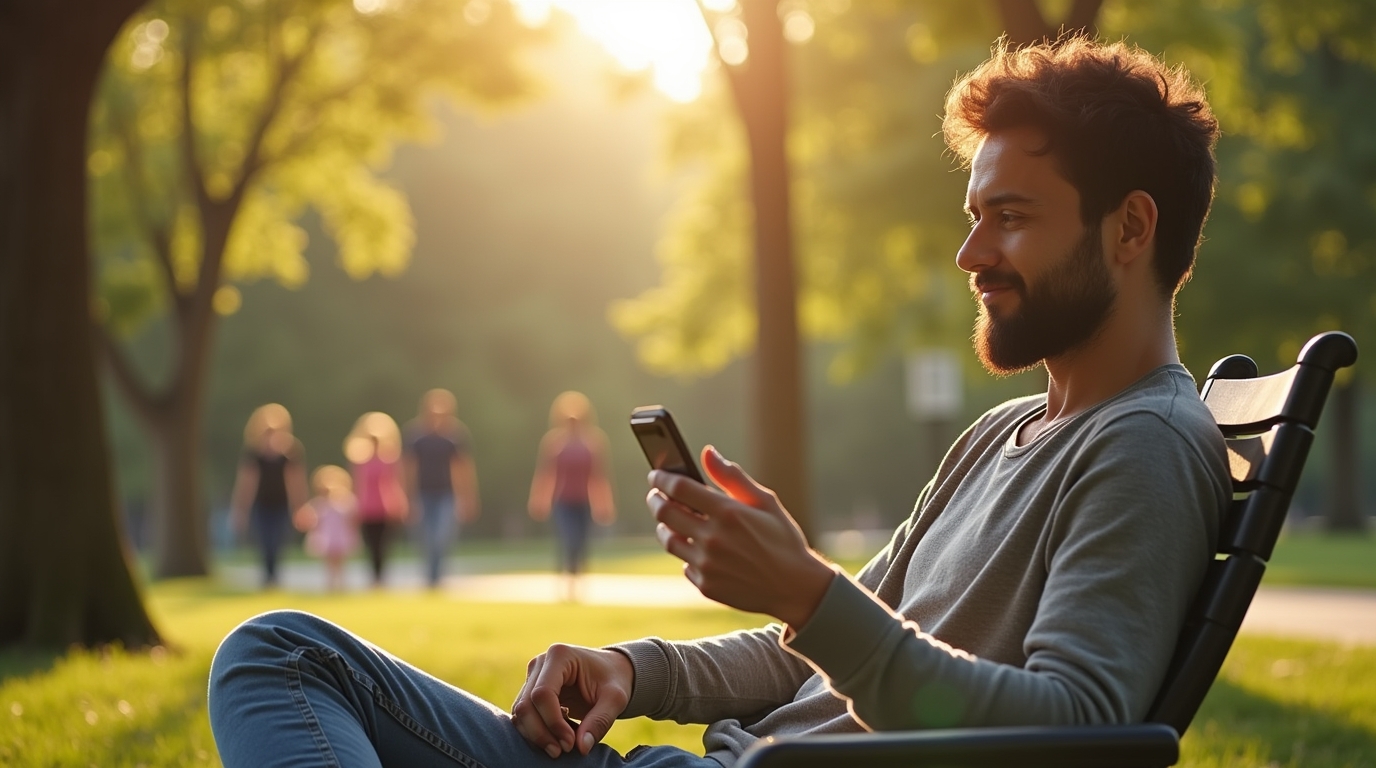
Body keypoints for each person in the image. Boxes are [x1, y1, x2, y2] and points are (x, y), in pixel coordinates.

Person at [208, 38, 1231, 768]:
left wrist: (808, 597)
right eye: (971, 218)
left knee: (276, 657)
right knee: (282, 652)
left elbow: (1072, 733)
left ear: (1128, 229)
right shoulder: (1002, 434)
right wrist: (627, 669)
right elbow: (812, 662)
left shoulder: (1141, 444)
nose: (968, 255)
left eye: (1008, 219)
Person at [527, 391, 616, 601]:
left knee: (582, 542)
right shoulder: (554, 443)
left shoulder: (593, 443)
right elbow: (546, 474)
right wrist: (539, 499)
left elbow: (599, 476)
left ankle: (578, 582)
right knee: (568, 539)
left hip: (583, 501)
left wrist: (605, 504)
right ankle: (566, 582)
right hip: (563, 501)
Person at [404, 388, 480, 588]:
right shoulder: (416, 436)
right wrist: (408, 497)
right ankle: (430, 576)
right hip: (422, 494)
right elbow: (409, 468)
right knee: (426, 538)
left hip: (446, 494)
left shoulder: (455, 436)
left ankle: (437, 576)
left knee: (442, 536)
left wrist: (468, 497)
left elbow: (463, 468)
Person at [229, 403, 307, 588]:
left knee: (277, 542)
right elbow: (246, 485)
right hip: (261, 505)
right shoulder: (253, 455)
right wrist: (240, 510)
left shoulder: (290, 454)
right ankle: (268, 577)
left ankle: (274, 577)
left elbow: (296, 483)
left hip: (281, 505)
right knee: (265, 542)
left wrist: (300, 507)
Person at [345, 411, 409, 587]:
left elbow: (396, 483)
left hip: (385, 508)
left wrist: (401, 503)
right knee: (371, 544)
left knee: (384, 544)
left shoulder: (390, 459)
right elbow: (357, 485)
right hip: (367, 508)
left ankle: (381, 577)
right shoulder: (360, 460)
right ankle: (374, 576)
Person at [294, 465, 360, 592]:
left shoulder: (345, 502)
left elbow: (353, 517)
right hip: (327, 536)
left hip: (340, 536)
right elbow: (311, 518)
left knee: (340, 561)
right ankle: (331, 583)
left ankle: (341, 583)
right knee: (329, 561)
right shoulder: (319, 503)